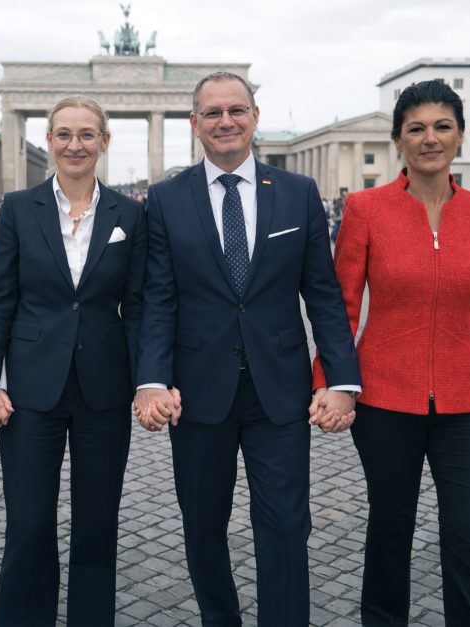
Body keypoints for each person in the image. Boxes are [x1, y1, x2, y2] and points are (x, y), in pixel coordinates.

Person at [134, 72, 361, 627]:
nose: (226, 121)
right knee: (203, 526)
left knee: (285, 524)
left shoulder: (298, 193)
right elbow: (158, 297)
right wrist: (150, 379)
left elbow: (324, 295)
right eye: (212, 113)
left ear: (255, 117)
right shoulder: (164, 198)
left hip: (278, 390)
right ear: (194, 124)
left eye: (236, 110)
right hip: (198, 389)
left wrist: (341, 380)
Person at [312, 80, 470, 626]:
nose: (430, 138)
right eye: (416, 129)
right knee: (389, 529)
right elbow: (340, 307)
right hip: (385, 398)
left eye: (442, 126)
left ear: (459, 137)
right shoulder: (365, 209)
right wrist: (329, 381)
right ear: (399, 142)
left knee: (469, 535)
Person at [0, 95, 147, 626]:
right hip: (31, 387)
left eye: (87, 134)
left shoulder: (130, 214)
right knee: (27, 525)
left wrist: (149, 382)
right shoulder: (19, 208)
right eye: (64, 133)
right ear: (48, 140)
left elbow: (136, 307)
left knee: (96, 525)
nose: (75, 144)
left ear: (104, 142)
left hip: (104, 388)